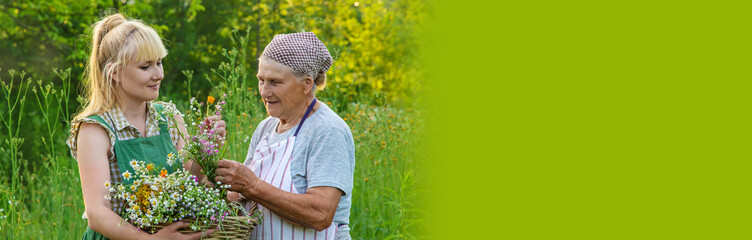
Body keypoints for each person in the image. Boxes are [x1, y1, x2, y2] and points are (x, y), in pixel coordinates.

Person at [66, 13, 223, 240]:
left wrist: (205, 146)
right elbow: (97, 214)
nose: (158, 74)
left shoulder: (169, 117)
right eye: (145, 66)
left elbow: (190, 181)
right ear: (115, 72)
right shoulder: (95, 129)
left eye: (159, 63)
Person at [215, 32, 355, 240]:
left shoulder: (327, 130)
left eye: (275, 82)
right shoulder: (266, 128)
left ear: (307, 84)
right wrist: (216, 181)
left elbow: (320, 214)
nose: (264, 91)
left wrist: (252, 186)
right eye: (261, 80)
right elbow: (242, 199)